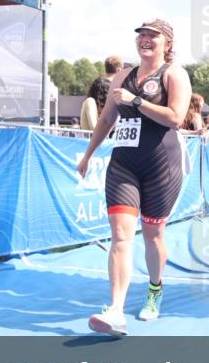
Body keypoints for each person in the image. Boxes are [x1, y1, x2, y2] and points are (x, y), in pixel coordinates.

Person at [78, 18, 191, 336]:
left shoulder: (173, 74)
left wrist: (138, 102)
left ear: (167, 43)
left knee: (153, 235)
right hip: (123, 166)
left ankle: (154, 290)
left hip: (161, 166)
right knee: (120, 236)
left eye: (152, 35)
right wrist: (88, 154)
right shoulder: (123, 77)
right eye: (141, 35)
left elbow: (176, 118)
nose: (145, 39)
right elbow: (105, 120)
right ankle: (115, 309)